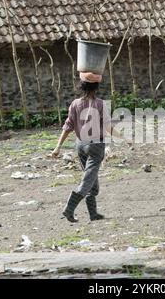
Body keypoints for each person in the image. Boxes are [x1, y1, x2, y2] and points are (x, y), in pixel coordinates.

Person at [51, 72, 125, 223]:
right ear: (96, 87)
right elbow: (107, 127)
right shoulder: (100, 104)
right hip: (96, 146)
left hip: (80, 145)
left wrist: (57, 147)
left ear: (82, 86)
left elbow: (68, 126)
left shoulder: (75, 104)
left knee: (91, 179)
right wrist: (123, 138)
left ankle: (93, 214)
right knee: (87, 180)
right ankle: (69, 209)